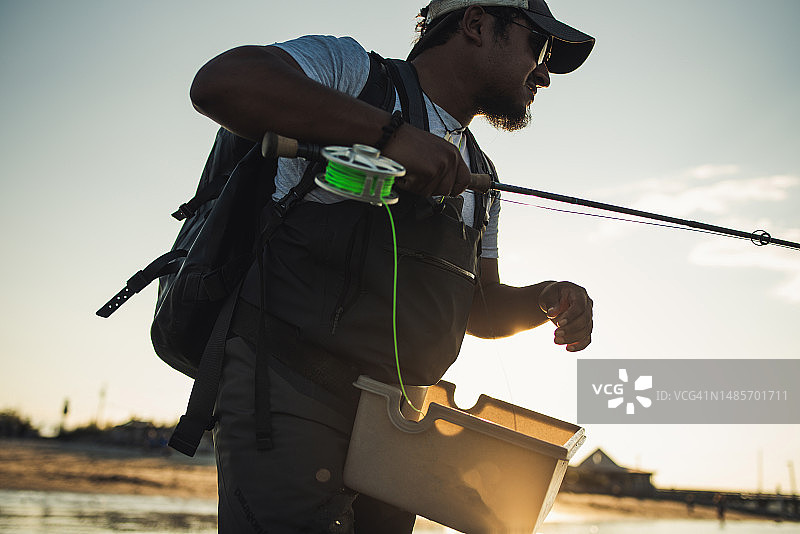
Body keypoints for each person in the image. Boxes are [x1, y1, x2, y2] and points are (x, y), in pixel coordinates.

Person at [190, 1, 595, 532]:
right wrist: (391, 135)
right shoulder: (354, 74)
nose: (543, 72)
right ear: (476, 24)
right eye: (537, 48)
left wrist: (547, 299)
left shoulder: (482, 176)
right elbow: (222, 82)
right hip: (286, 389)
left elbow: (479, 309)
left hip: (398, 434)